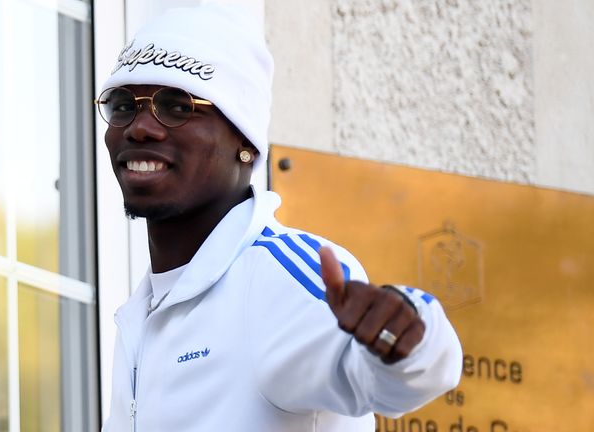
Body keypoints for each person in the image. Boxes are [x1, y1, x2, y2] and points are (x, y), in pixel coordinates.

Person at [95, 4, 462, 431]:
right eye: (122, 105)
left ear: (245, 141)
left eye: (177, 106)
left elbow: (390, 381)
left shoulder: (274, 279)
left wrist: (408, 337)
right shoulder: (141, 314)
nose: (140, 128)